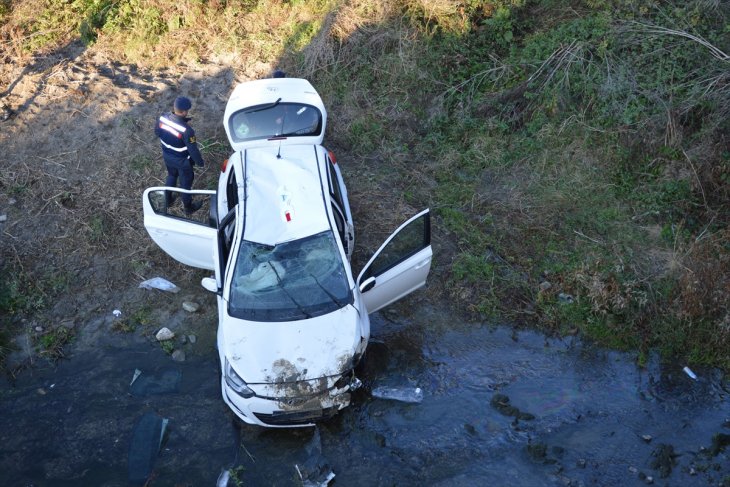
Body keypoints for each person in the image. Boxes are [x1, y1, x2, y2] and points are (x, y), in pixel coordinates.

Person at [154, 96, 204, 215]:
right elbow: (193, 150)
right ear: (184, 112)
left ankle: (168, 199)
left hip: (167, 156)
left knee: (171, 176)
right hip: (182, 161)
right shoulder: (187, 130)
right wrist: (200, 162)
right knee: (185, 183)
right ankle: (188, 207)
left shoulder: (162, 118)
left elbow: (157, 132)